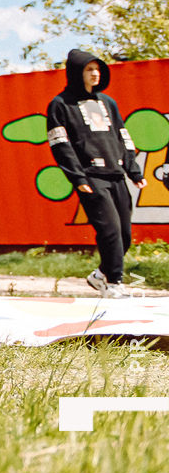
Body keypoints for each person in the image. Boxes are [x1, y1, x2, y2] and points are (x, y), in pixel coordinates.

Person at [46, 48, 143, 297]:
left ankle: (100, 275)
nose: (95, 74)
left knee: (124, 234)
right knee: (110, 231)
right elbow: (60, 145)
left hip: (116, 174)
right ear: (76, 73)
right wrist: (77, 177)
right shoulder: (60, 105)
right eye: (89, 69)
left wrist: (133, 170)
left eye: (98, 69)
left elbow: (123, 137)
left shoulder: (108, 103)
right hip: (91, 176)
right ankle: (114, 283)